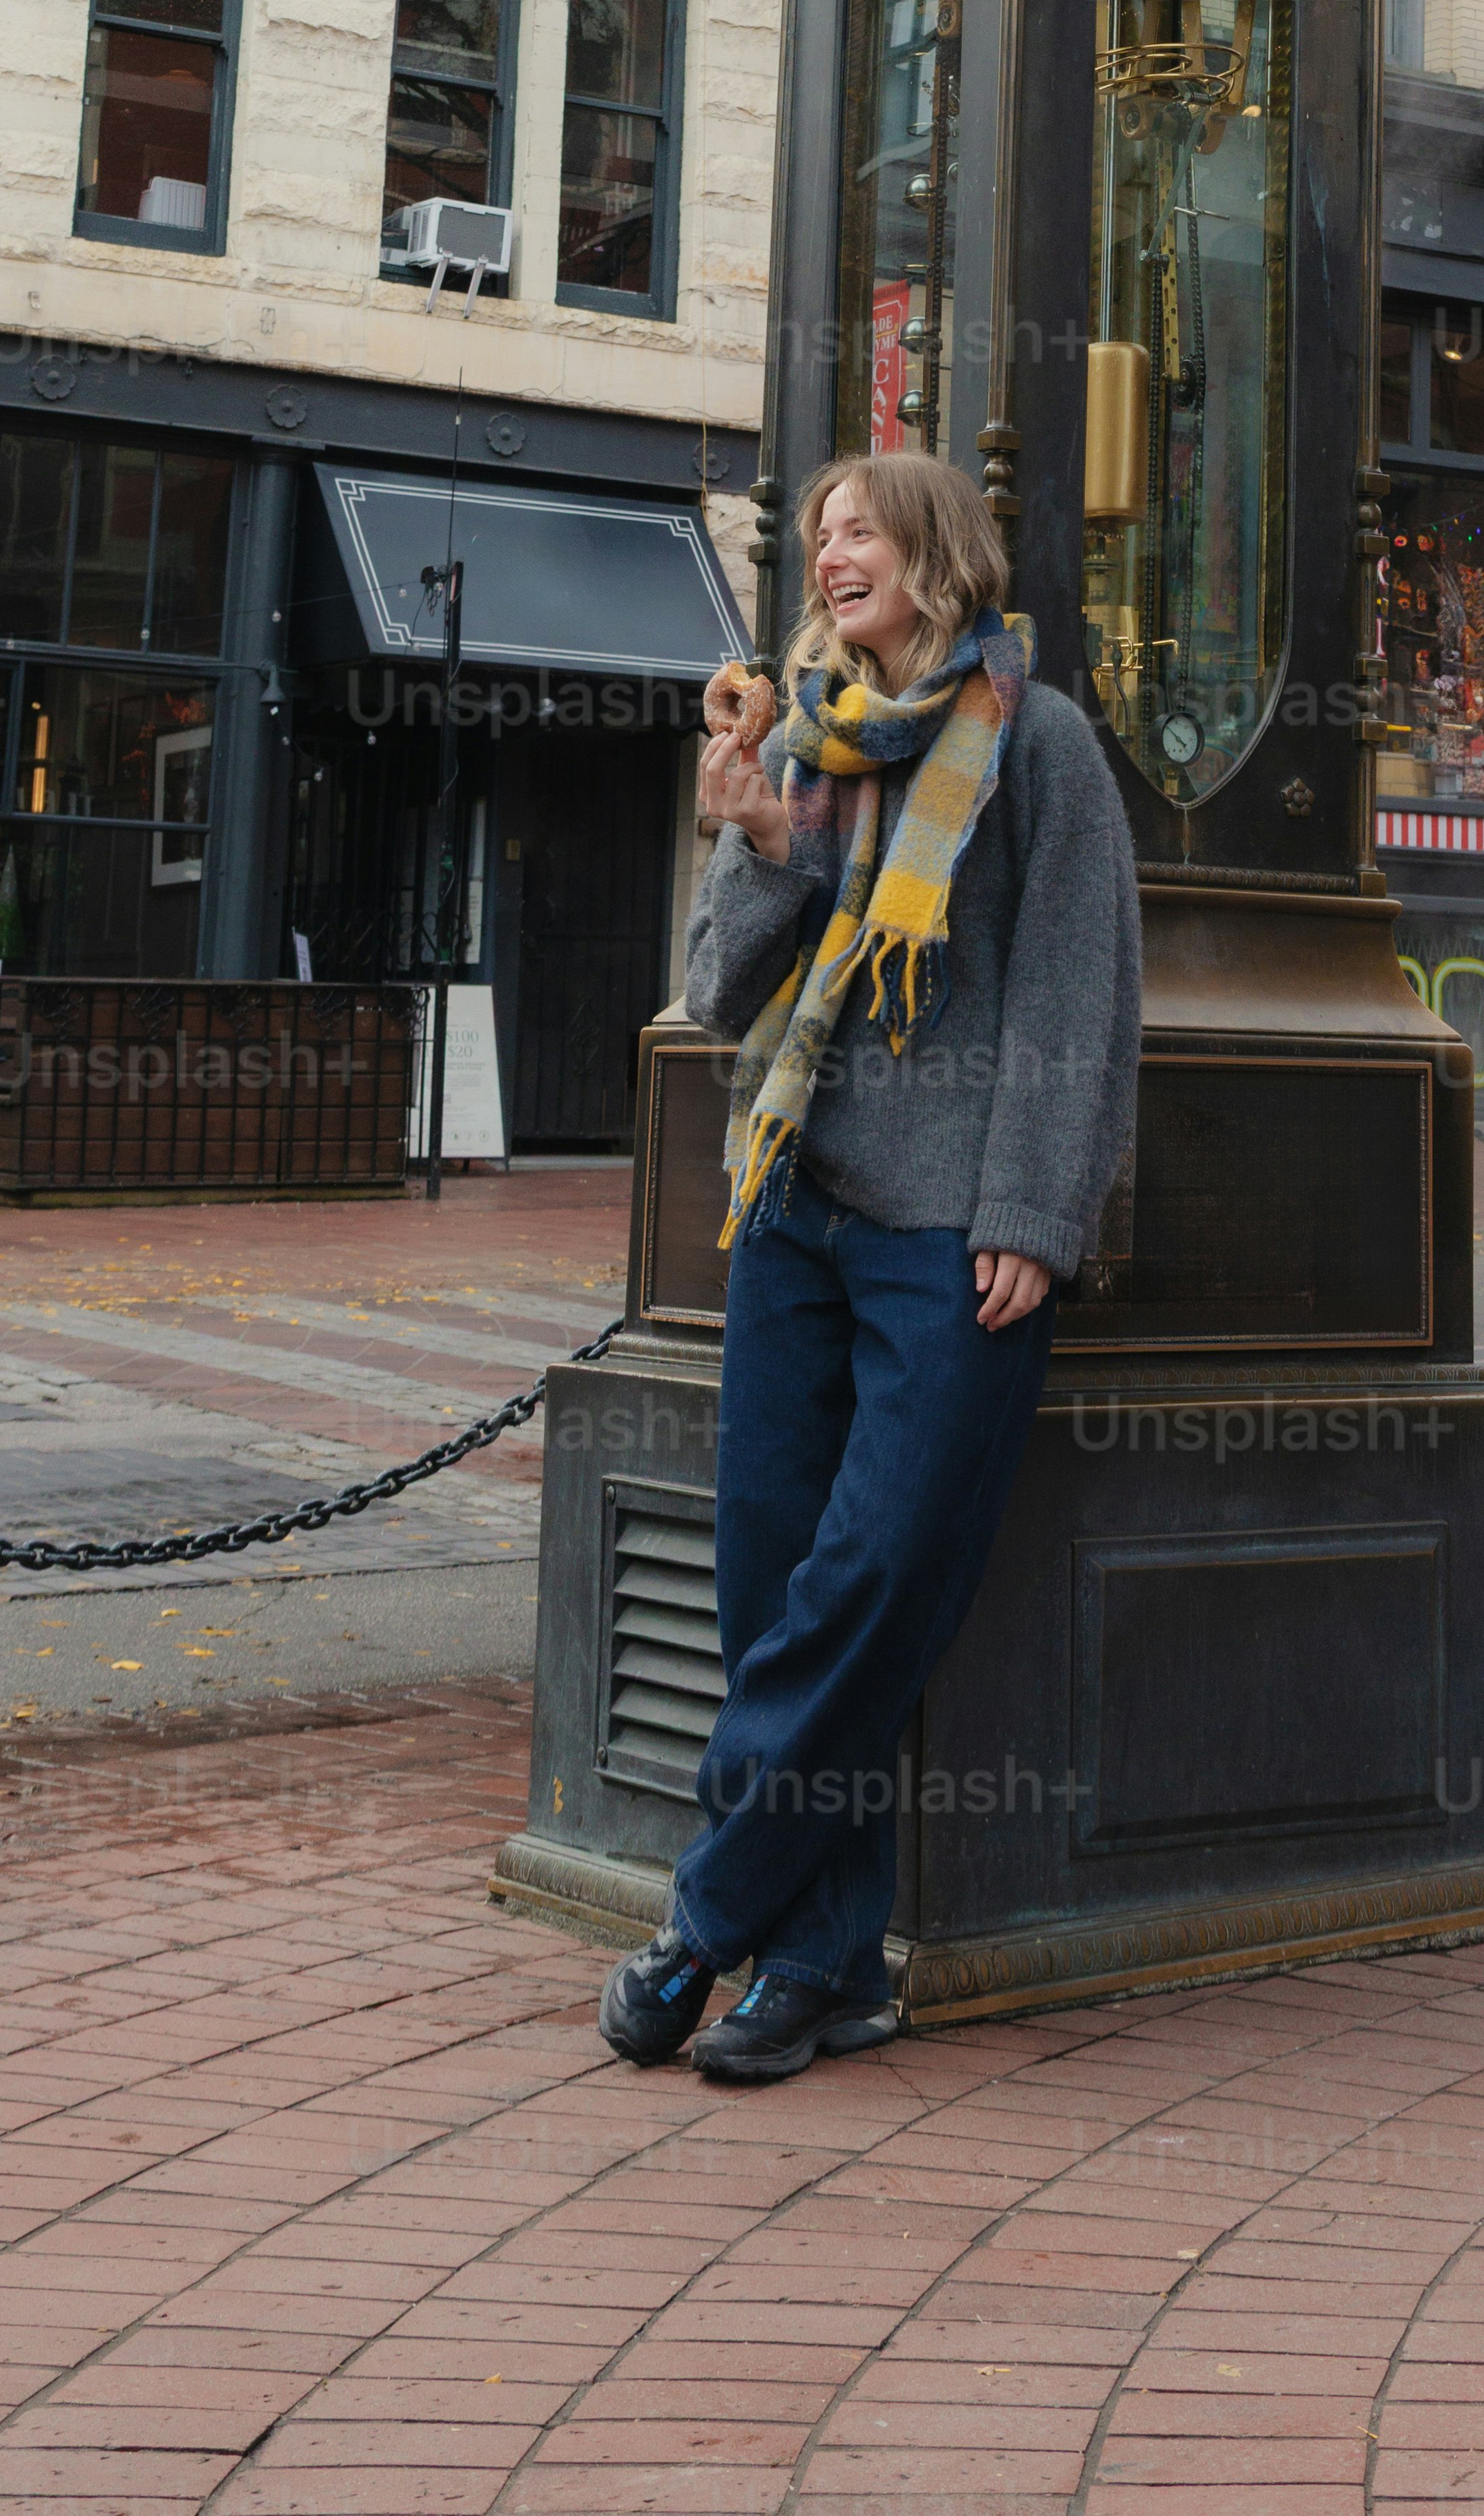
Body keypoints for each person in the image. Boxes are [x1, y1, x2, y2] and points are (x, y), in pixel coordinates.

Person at [597, 449, 1141, 2087]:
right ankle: (822, 1965)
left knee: (869, 1581)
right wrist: (757, 836)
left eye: (860, 531)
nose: (830, 553)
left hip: (947, 1239)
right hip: (795, 1207)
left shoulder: (1033, 743)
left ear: (937, 557)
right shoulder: (811, 747)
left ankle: (707, 1923)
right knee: (776, 1583)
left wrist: (1035, 1217)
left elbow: (1078, 996)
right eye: (819, 533)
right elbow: (715, 997)